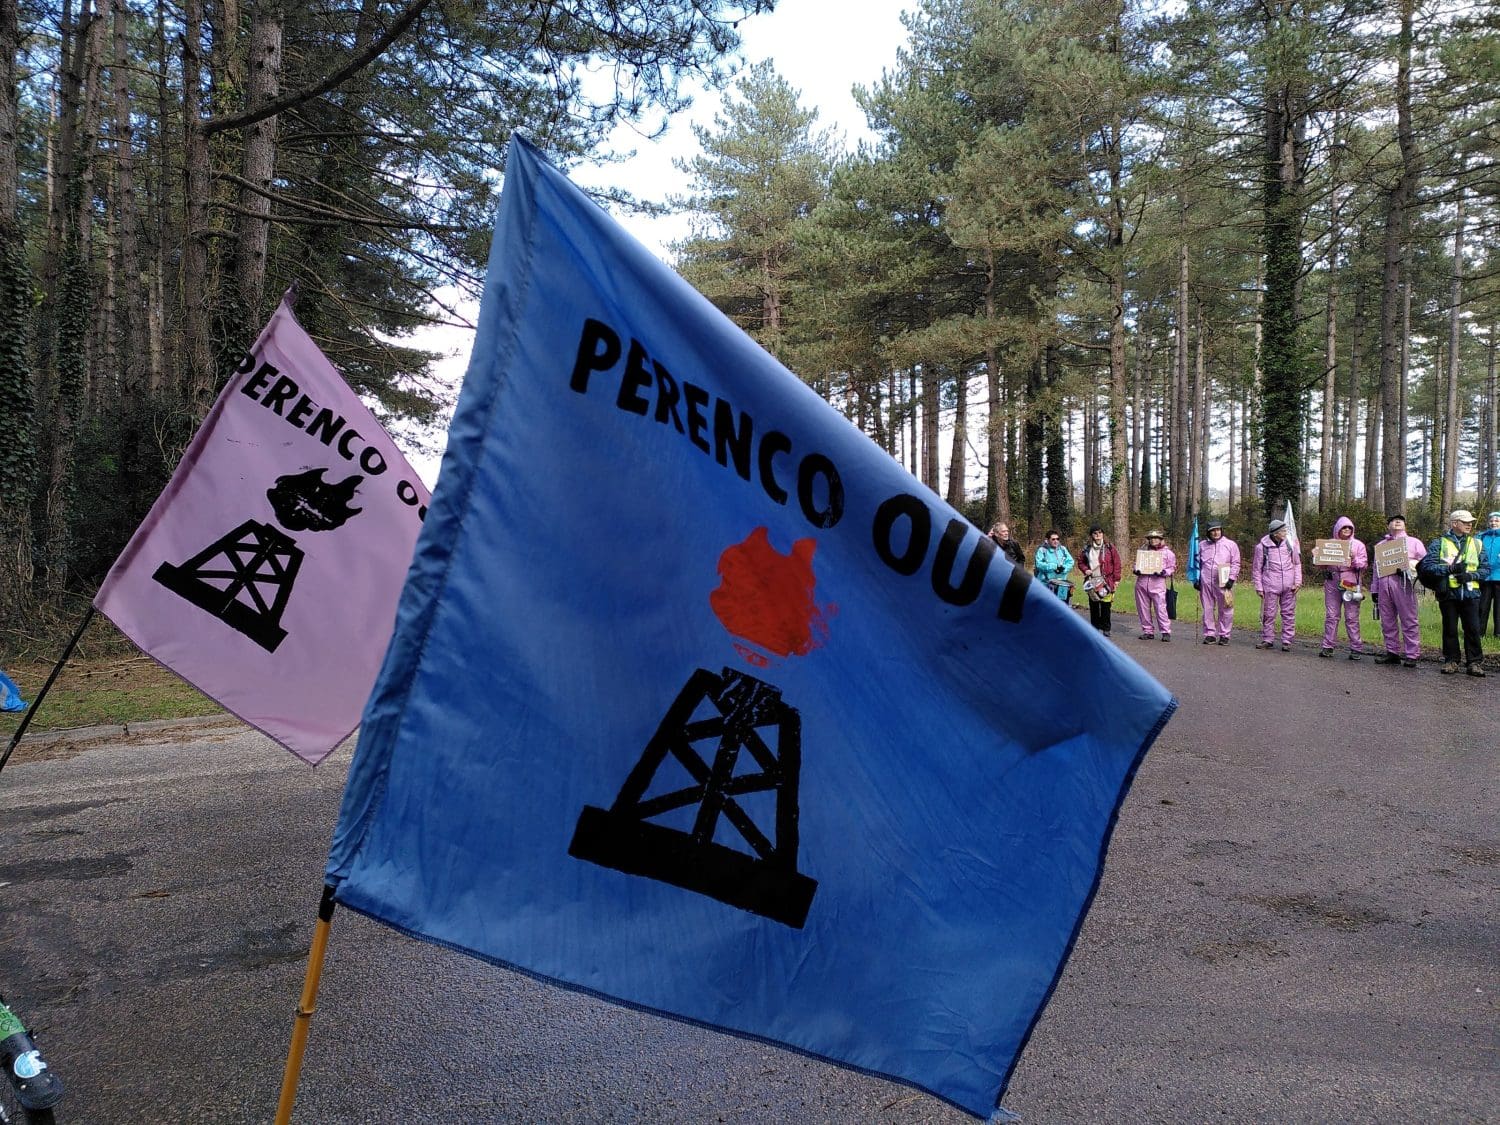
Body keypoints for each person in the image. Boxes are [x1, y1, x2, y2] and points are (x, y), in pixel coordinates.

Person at [1420, 509, 1489, 676]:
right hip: (1448, 594)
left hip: (1471, 594)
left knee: (1473, 629)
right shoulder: (1439, 543)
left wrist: (1470, 576)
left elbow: (1486, 569)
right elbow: (1428, 567)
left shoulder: (1477, 543)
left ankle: (1474, 663)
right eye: (1465, 522)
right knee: (1450, 629)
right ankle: (1451, 661)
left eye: (1470, 522)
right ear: (1454, 523)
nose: (1469, 524)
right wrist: (1450, 569)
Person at [1371, 514, 1425, 668]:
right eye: (1393, 520)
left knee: (1409, 619)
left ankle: (1412, 654)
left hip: (1404, 585)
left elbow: (1425, 563)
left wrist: (1411, 568)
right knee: (1387, 621)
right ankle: (1392, 652)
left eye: (1400, 520)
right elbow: (1376, 569)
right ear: (1388, 525)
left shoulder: (1414, 542)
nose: (1397, 522)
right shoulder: (1381, 545)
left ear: (1405, 525)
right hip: (1384, 586)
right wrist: (1374, 590)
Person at [1318, 516, 1367, 660]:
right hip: (1332, 580)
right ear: (1337, 529)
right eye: (1343, 528)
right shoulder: (1329, 544)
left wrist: (1353, 558)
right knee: (1331, 615)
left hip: (1350, 580)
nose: (1346, 530)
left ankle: (1356, 648)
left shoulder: (1358, 545)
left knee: (1352, 616)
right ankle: (1328, 646)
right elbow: (1321, 565)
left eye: (1349, 528)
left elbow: (1363, 565)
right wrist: (1318, 556)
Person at [1251, 517, 1301, 651]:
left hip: (1289, 586)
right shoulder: (1261, 547)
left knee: (1288, 613)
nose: (1285, 532)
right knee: (1269, 614)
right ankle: (1268, 639)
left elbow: (1297, 563)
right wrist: (1259, 587)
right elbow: (1256, 568)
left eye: (1285, 530)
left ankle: (1287, 641)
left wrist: (1297, 582)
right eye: (1283, 531)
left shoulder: (1290, 544)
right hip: (1270, 585)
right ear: (1275, 533)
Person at [1196, 519, 1240, 645]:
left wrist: (1232, 578)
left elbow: (1236, 563)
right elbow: (1197, 563)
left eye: (1218, 530)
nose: (1216, 533)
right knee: (1208, 609)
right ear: (1208, 532)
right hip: (1206, 580)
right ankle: (1210, 633)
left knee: (1226, 607)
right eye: (1213, 531)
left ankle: (1224, 634)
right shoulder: (1202, 545)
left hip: (1224, 581)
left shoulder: (1230, 545)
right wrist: (1196, 579)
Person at [1077, 524, 1121, 636]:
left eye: (1100, 533)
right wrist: (1085, 570)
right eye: (1095, 533)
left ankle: (1106, 628)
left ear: (1103, 534)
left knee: (1106, 606)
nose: (1098, 535)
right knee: (1094, 605)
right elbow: (1080, 562)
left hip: (1107, 581)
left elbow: (1117, 563)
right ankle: (1094, 628)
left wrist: (1116, 580)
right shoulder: (1087, 549)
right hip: (1092, 581)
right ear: (1091, 535)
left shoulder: (1110, 548)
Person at [1132, 529, 1174, 642]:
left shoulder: (1168, 553)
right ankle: (1148, 631)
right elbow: (1136, 564)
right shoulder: (1143, 550)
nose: (1153, 540)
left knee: (1161, 608)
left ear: (1161, 539)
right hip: (1142, 583)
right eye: (1151, 538)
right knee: (1143, 608)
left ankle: (1165, 631)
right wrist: (1136, 570)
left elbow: (1172, 568)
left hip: (1157, 584)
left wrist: (1163, 572)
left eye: (1156, 538)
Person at [1034, 531, 1074, 602]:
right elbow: (1039, 564)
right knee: (1047, 608)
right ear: (1047, 540)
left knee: (1062, 607)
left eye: (1057, 539)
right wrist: (1053, 566)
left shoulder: (1063, 549)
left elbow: (1071, 562)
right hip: (1046, 584)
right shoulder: (1042, 550)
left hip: (1061, 584)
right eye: (1053, 539)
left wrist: (1064, 568)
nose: (1056, 541)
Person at [1479, 511, 1500, 638]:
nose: (1494, 523)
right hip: (1485, 577)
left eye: (1497, 520)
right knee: (1482, 606)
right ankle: (1479, 632)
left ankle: (1498, 633)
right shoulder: (1481, 537)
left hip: (1499, 577)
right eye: (1491, 520)